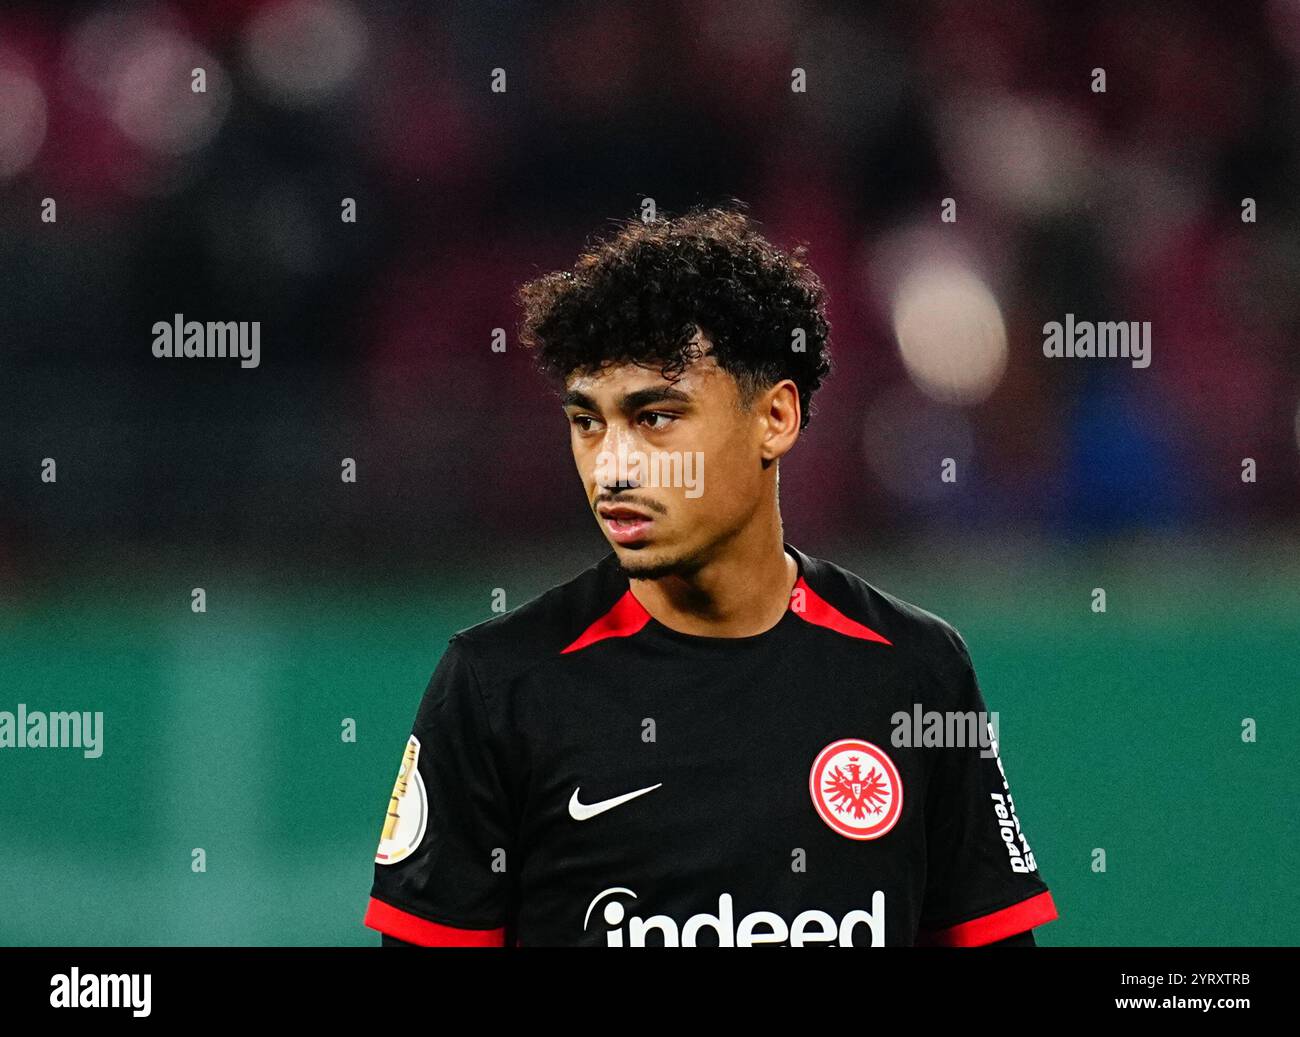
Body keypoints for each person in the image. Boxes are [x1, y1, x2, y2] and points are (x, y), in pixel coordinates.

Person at [363, 205, 1058, 947]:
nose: (613, 466)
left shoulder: (917, 670)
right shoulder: (497, 685)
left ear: (776, 418)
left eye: (656, 416)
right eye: (587, 421)